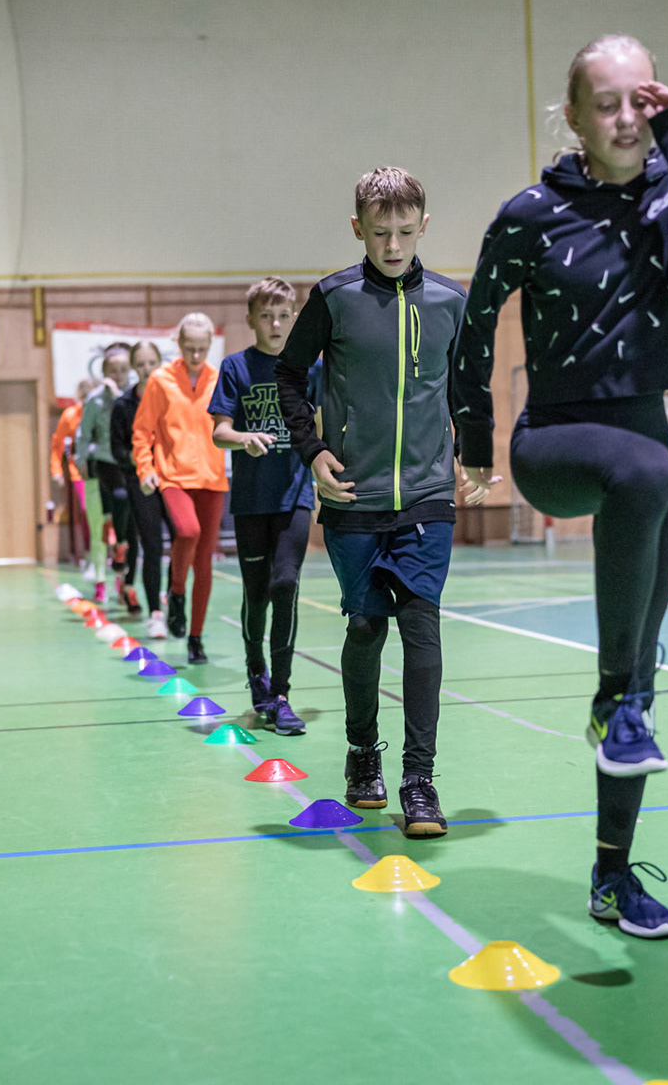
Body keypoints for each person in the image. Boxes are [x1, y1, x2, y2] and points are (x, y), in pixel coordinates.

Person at [451, 34, 668, 937]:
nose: (628, 118)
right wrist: (474, 444)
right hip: (555, 441)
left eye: (643, 100)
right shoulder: (531, 213)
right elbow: (476, 326)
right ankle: (614, 701)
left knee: (639, 679)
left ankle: (611, 876)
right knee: (646, 474)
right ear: (576, 117)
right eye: (608, 103)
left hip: (643, 458)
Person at [277, 167, 481, 839]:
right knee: (366, 627)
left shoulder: (450, 301)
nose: (393, 245)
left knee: (422, 626)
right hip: (353, 496)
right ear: (357, 228)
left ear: (424, 227)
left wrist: (473, 453)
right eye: (379, 232)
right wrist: (313, 453)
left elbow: (465, 388)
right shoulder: (333, 298)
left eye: (405, 231)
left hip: (427, 495)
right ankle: (362, 752)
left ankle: (419, 780)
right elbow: (288, 376)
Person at [209, 278, 317, 735]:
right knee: (256, 596)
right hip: (252, 500)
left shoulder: (308, 366)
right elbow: (219, 432)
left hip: (296, 495)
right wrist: (243, 439)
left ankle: (282, 694)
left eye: (284, 316)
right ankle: (257, 671)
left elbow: (330, 418)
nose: (276, 324)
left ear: (294, 318)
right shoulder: (235, 367)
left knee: (286, 584)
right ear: (251, 320)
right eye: (266, 316)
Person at [133, 315, 228, 663]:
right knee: (187, 531)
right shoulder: (161, 380)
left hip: (212, 479)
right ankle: (175, 592)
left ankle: (196, 638)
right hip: (173, 477)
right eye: (190, 348)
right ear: (178, 343)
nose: (196, 354)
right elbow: (142, 431)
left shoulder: (219, 378)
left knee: (203, 563)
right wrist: (146, 469)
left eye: (202, 348)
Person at [112, 341, 170, 638]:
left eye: (152, 362)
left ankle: (174, 599)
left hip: (174, 479)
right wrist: (140, 461)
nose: (147, 369)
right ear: (134, 367)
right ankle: (155, 613)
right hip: (141, 482)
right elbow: (118, 449)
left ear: (160, 362)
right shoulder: (123, 405)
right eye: (141, 364)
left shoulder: (172, 396)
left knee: (184, 538)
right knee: (152, 545)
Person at [78, 343, 136, 608]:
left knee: (129, 530)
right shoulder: (95, 400)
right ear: (104, 372)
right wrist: (81, 460)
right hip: (101, 466)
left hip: (128, 466)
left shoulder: (134, 397)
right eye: (114, 370)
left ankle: (124, 582)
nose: (119, 375)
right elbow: (83, 433)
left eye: (124, 369)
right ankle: (100, 581)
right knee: (99, 527)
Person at [48, 386, 90, 568]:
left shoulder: (104, 410)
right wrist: (56, 470)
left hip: (102, 471)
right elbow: (57, 445)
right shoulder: (70, 415)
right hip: (78, 472)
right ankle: (84, 555)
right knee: (85, 513)